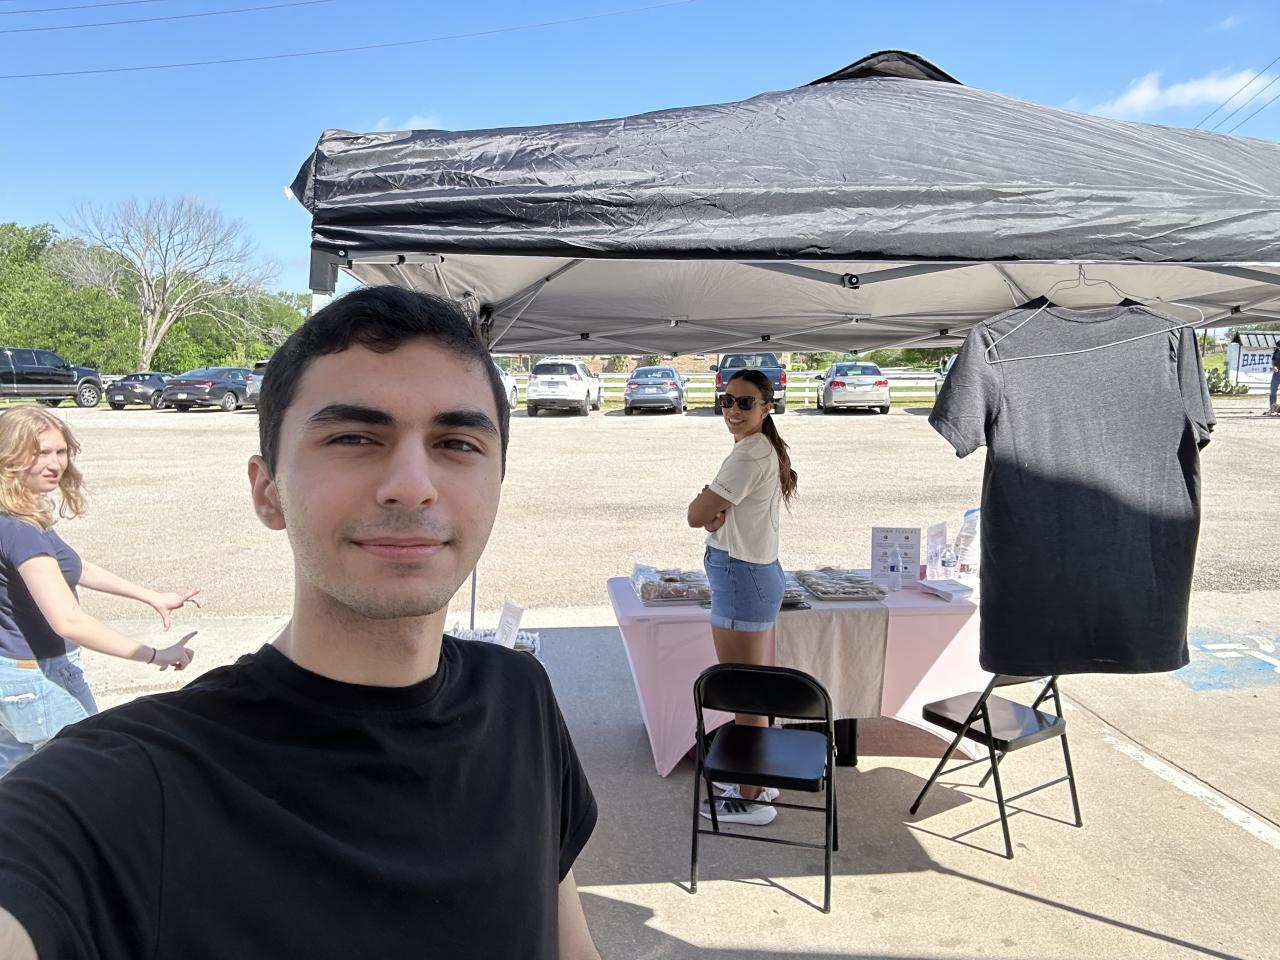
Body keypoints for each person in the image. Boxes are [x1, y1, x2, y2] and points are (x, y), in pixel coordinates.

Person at [0, 288, 600, 960]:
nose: (412, 485)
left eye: (457, 443)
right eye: (354, 438)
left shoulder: (520, 696)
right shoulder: (129, 786)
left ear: (497, 483)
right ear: (268, 492)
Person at [0, 406, 199, 778]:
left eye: (61, 452)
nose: (55, 464)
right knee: (89, 775)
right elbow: (69, 621)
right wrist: (155, 654)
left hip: (12, 677)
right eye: (41, 453)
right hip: (38, 677)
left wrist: (151, 596)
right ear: (9, 456)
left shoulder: (18, 517)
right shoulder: (21, 531)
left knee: (14, 780)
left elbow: (78, 568)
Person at [686, 369, 798, 826]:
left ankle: (751, 797)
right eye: (727, 400)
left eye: (745, 402)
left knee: (744, 691)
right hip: (749, 574)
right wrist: (715, 512)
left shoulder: (750, 454)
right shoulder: (756, 448)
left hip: (742, 576)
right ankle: (755, 780)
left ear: (767, 407)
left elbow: (697, 514)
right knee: (747, 687)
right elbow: (714, 514)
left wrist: (709, 508)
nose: (733, 409)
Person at [1270, 338, 1280, 415]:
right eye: (1278, 347)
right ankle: (1272, 409)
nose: (1278, 348)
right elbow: (1273, 360)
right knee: (1273, 392)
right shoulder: (1276, 352)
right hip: (1276, 374)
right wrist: (1273, 367)